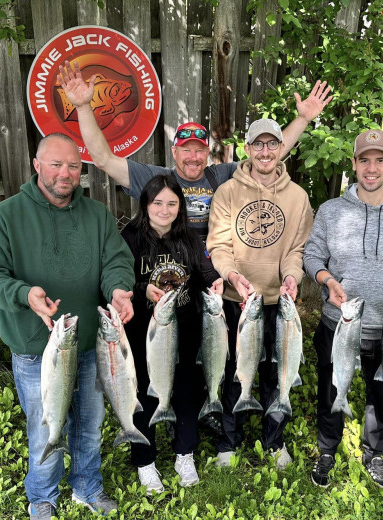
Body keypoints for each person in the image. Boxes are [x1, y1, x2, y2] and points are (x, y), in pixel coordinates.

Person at [0, 133, 136, 519]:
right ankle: (42, 495)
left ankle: (87, 486)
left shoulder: (96, 216)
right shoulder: (5, 217)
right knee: (46, 426)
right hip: (35, 346)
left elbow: (116, 261)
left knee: (90, 424)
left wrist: (118, 290)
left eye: (74, 166)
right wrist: (24, 294)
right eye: (56, 164)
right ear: (37, 165)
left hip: (93, 342)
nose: (66, 173)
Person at [57, 60, 332, 237]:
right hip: (169, 266)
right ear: (174, 152)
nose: (193, 157)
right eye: (186, 150)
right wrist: (83, 105)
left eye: (199, 150)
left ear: (207, 152)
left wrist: (303, 118)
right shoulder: (153, 179)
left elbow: (267, 156)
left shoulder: (222, 175)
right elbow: (103, 159)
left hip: (214, 268)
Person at [303, 129, 383, 490]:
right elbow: (312, 255)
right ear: (354, 165)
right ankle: (327, 450)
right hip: (339, 324)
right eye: (365, 160)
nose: (372, 168)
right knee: (332, 390)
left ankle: (374, 452)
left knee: (382, 394)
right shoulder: (331, 211)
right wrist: (327, 281)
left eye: (380, 160)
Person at [205, 117, 314, 470]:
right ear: (247, 149)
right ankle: (228, 442)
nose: (265, 151)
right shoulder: (227, 193)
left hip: (276, 303)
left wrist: (292, 276)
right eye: (257, 144)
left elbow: (297, 250)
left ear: (281, 148)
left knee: (276, 372)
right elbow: (219, 245)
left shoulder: (298, 197)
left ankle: (273, 441)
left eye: (272, 144)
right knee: (234, 371)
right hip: (238, 301)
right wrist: (232, 275)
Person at [119, 174, 224, 495]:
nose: (164, 210)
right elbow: (118, 279)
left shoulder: (191, 239)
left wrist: (217, 281)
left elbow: (206, 271)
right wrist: (140, 289)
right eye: (157, 203)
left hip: (187, 330)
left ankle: (184, 454)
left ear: (180, 207)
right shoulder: (129, 238)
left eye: (172, 203)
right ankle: (145, 461)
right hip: (142, 333)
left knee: (186, 392)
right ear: (145, 205)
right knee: (142, 397)